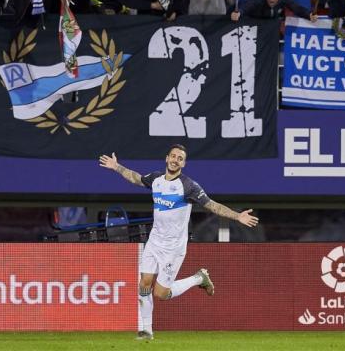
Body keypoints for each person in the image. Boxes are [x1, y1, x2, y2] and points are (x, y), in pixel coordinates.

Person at [99, 144, 259, 340]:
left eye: (180, 158)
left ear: (184, 163)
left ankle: (199, 278)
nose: (175, 160)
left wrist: (237, 216)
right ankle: (146, 331)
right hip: (154, 241)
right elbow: (136, 178)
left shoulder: (189, 186)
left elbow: (212, 205)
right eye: (173, 156)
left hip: (174, 248)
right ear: (167, 158)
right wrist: (117, 167)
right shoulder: (156, 179)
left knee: (161, 294)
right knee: (144, 283)